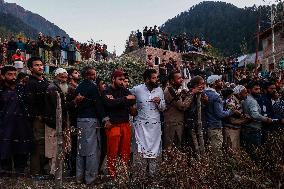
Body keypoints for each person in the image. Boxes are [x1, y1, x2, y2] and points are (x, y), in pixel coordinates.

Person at [75, 66, 111, 185]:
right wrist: (105, 119)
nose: (95, 76)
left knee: (81, 149)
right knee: (92, 150)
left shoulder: (79, 86)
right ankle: (91, 179)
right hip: (90, 120)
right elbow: (98, 104)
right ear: (89, 75)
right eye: (93, 74)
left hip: (80, 120)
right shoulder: (93, 87)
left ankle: (79, 177)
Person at [131, 69, 166, 176]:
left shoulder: (159, 90)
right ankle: (141, 176)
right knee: (141, 151)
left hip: (155, 127)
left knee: (153, 152)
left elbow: (163, 108)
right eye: (154, 78)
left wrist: (159, 102)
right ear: (147, 79)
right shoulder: (137, 89)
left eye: (156, 78)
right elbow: (127, 97)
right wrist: (132, 107)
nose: (156, 80)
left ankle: (152, 176)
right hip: (140, 126)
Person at [103, 70, 136, 178]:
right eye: (120, 79)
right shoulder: (107, 91)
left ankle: (123, 174)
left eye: (123, 79)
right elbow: (109, 104)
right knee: (112, 152)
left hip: (125, 124)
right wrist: (125, 99)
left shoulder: (124, 90)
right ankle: (112, 175)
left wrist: (118, 101)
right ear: (113, 79)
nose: (122, 82)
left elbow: (133, 100)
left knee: (125, 151)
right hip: (113, 125)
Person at [0, 66, 33, 175]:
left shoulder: (22, 89)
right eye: (10, 74)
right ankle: (6, 169)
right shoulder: (1, 90)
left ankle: (20, 170)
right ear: (3, 76)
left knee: (21, 148)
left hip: (22, 124)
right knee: (5, 146)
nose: (13, 77)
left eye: (15, 74)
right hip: (4, 125)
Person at [25, 57, 49, 177]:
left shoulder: (45, 81)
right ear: (30, 68)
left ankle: (43, 169)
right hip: (37, 119)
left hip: (47, 118)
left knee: (45, 144)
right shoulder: (30, 83)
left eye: (41, 64)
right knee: (37, 144)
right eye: (36, 65)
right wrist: (37, 116)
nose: (40, 67)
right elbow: (30, 102)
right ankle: (35, 172)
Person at [163, 71, 197, 148]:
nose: (181, 80)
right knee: (171, 149)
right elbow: (182, 106)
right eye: (179, 78)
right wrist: (191, 93)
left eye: (181, 77)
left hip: (177, 123)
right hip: (172, 125)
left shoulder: (174, 90)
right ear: (172, 81)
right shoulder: (170, 90)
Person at [242, 81, 274, 157]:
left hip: (248, 128)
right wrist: (266, 119)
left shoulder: (245, 99)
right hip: (254, 129)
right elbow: (255, 115)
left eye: (259, 89)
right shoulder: (252, 101)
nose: (258, 91)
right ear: (249, 90)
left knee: (249, 153)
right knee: (255, 154)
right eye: (256, 89)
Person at [204, 75, 235, 152]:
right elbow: (220, 114)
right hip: (214, 126)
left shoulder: (205, 92)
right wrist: (231, 111)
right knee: (216, 152)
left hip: (206, 125)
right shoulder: (216, 96)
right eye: (220, 81)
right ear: (215, 83)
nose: (222, 83)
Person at [223, 85, 249, 152]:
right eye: (245, 93)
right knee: (231, 151)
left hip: (236, 129)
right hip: (230, 130)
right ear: (238, 94)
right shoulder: (231, 100)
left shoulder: (239, 101)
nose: (247, 94)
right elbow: (232, 112)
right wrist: (244, 116)